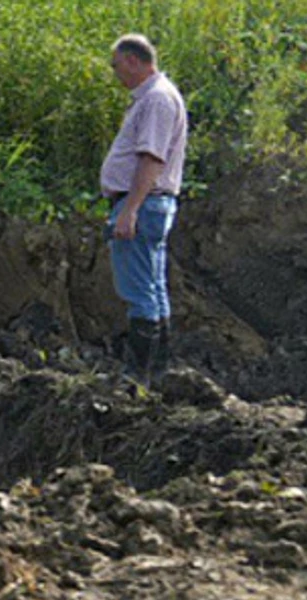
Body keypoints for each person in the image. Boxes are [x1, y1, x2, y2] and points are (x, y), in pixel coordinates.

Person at [102, 33, 188, 382]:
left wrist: (130, 209)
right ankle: (158, 373)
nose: (115, 72)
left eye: (116, 64)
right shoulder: (157, 97)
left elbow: (151, 160)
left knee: (139, 290)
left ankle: (138, 376)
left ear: (134, 61)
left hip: (144, 204)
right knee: (152, 287)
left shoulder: (156, 99)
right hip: (149, 204)